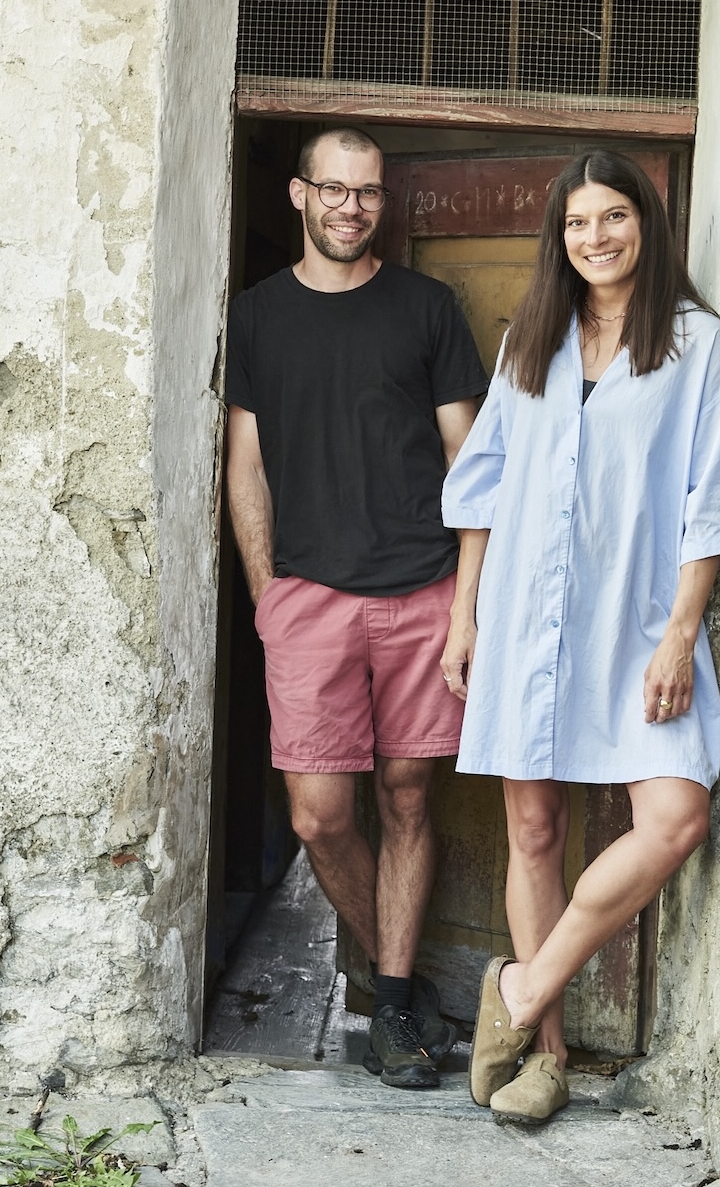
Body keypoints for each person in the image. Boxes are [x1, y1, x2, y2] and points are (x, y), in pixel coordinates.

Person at [439, 149, 720, 1125]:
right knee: (534, 828)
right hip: (524, 611)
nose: (596, 236)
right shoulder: (530, 339)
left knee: (674, 819)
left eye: (613, 216)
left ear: (645, 223)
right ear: (559, 237)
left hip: (639, 619)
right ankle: (547, 1059)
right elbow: (483, 486)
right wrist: (464, 615)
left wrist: (681, 634)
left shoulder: (695, 344)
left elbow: (713, 499)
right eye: (578, 222)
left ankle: (522, 987)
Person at [225, 126, 488, 1090]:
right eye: (333, 190)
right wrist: (268, 599)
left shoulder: (426, 309)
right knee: (319, 816)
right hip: (309, 602)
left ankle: (394, 1001)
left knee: (409, 796)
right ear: (299, 195)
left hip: (422, 593)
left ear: (384, 200)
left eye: (368, 192)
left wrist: (466, 607)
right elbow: (246, 466)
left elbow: (471, 465)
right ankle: (403, 985)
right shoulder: (258, 316)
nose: (351, 208)